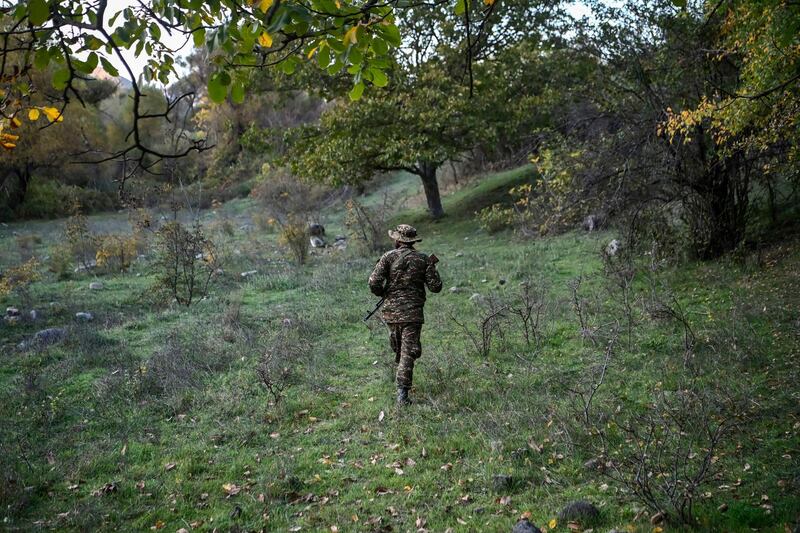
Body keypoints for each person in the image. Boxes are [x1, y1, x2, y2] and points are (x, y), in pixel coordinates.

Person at [368, 224, 442, 405]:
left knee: (404, 351)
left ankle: (402, 393)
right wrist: (431, 267)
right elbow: (436, 287)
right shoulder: (423, 259)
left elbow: (373, 282)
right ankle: (402, 394)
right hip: (413, 314)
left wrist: (383, 293)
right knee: (406, 352)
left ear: (397, 240)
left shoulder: (387, 257)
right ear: (412, 240)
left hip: (391, 314)